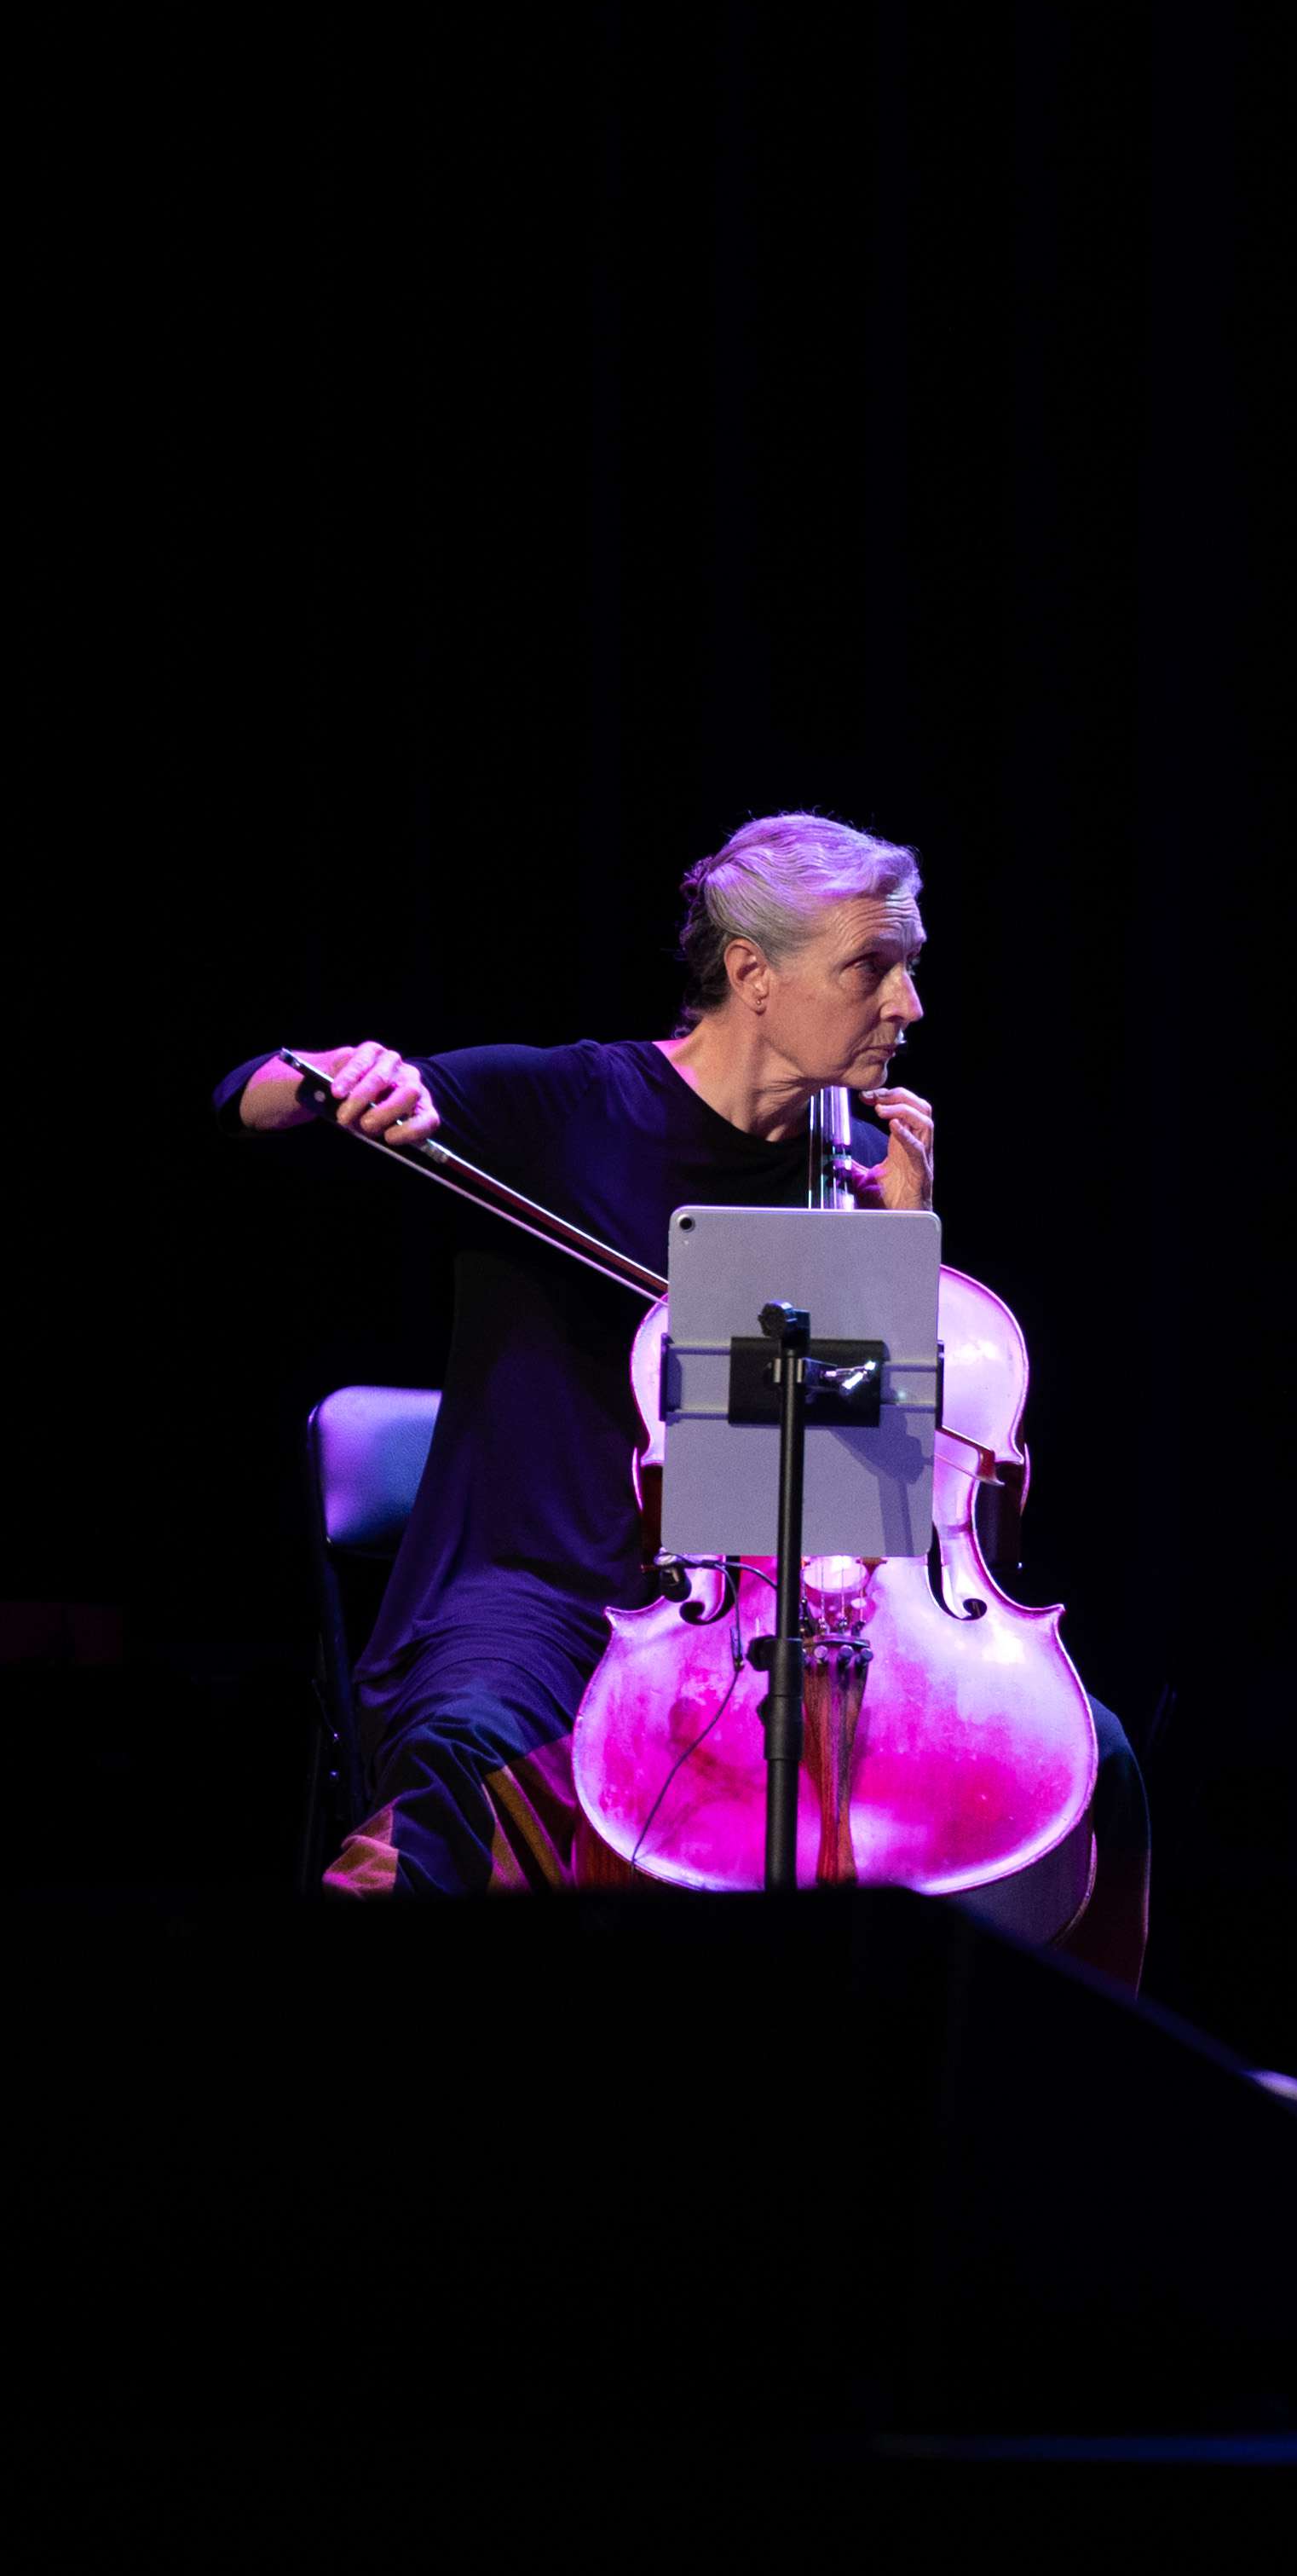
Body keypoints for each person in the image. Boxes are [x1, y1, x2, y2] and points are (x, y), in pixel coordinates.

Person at [226, 810, 1146, 1978]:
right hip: (542, 1591)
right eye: (874, 965)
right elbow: (251, 1101)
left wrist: (896, 1250)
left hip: (780, 1614)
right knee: (471, 1743)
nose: (908, 1004)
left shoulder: (852, 1169)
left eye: (910, 966)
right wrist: (329, 1083)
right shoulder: (566, 1108)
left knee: (1082, 1758)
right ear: (753, 973)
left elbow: (871, 1484)